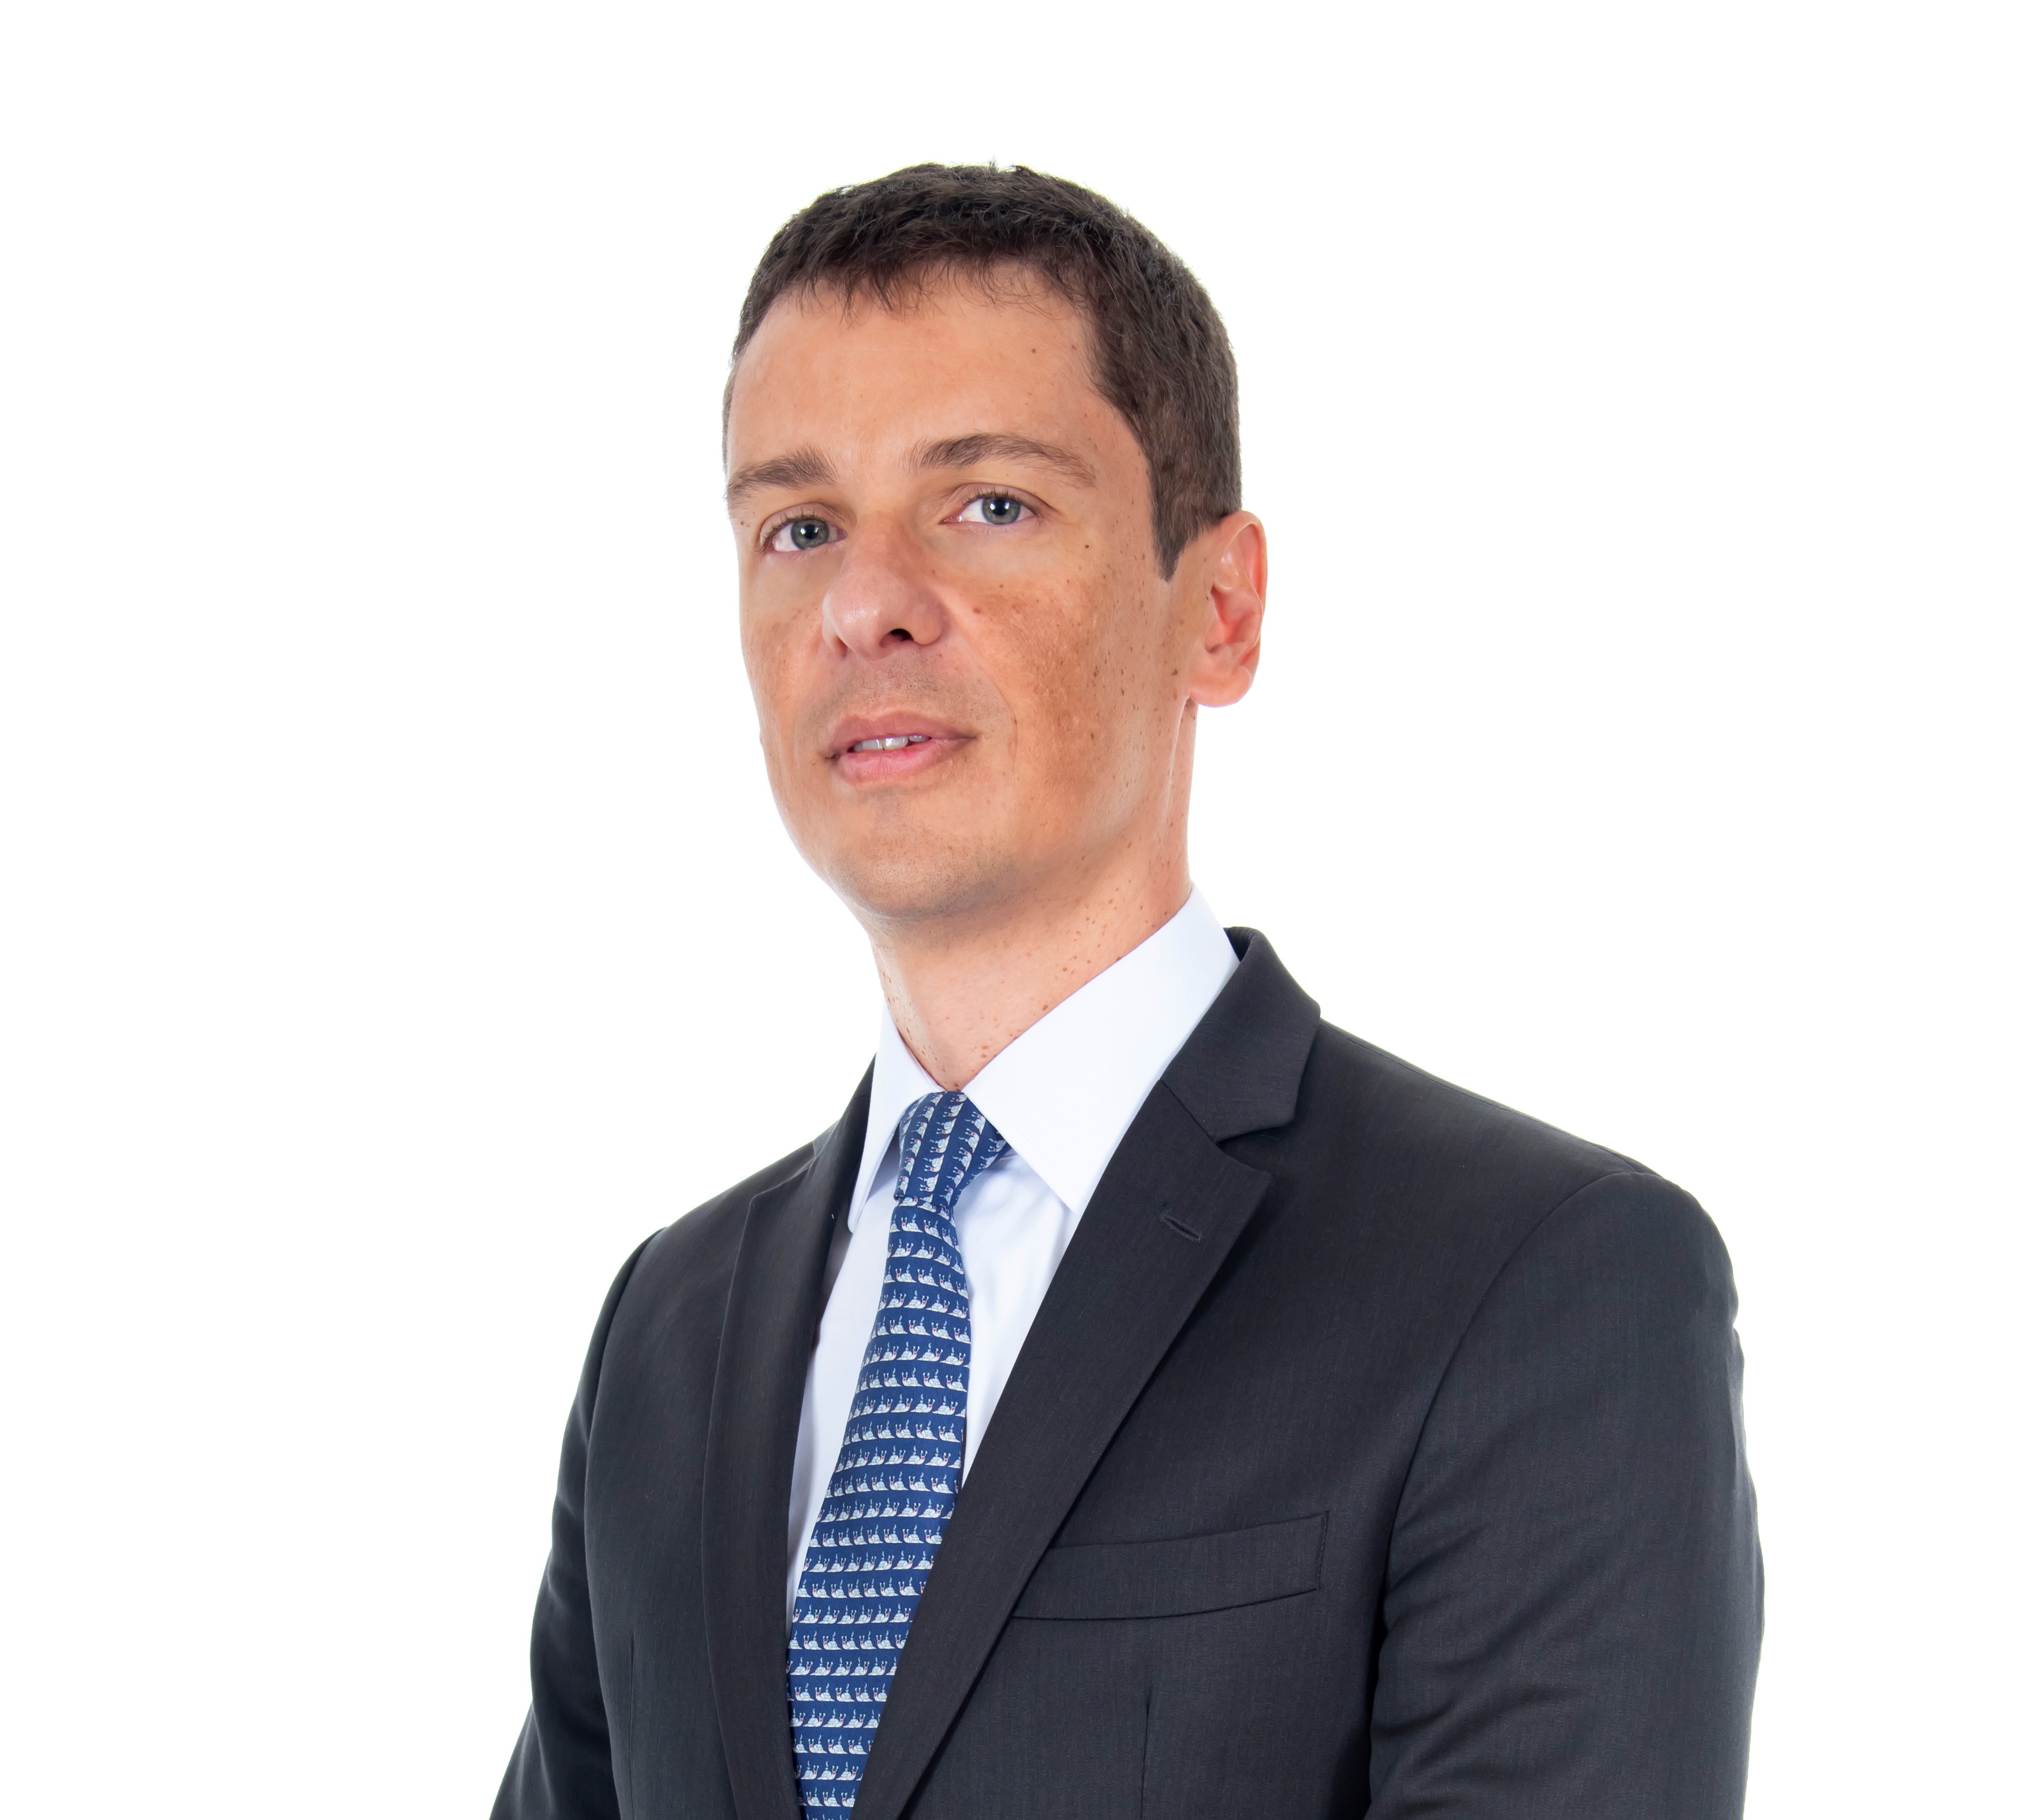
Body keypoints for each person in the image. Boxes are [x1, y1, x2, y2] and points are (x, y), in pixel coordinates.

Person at [492, 164, 1762, 1820]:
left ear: (1218, 610)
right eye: (799, 528)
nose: (865, 604)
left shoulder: (1539, 1284)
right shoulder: (669, 1329)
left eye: (988, 504)